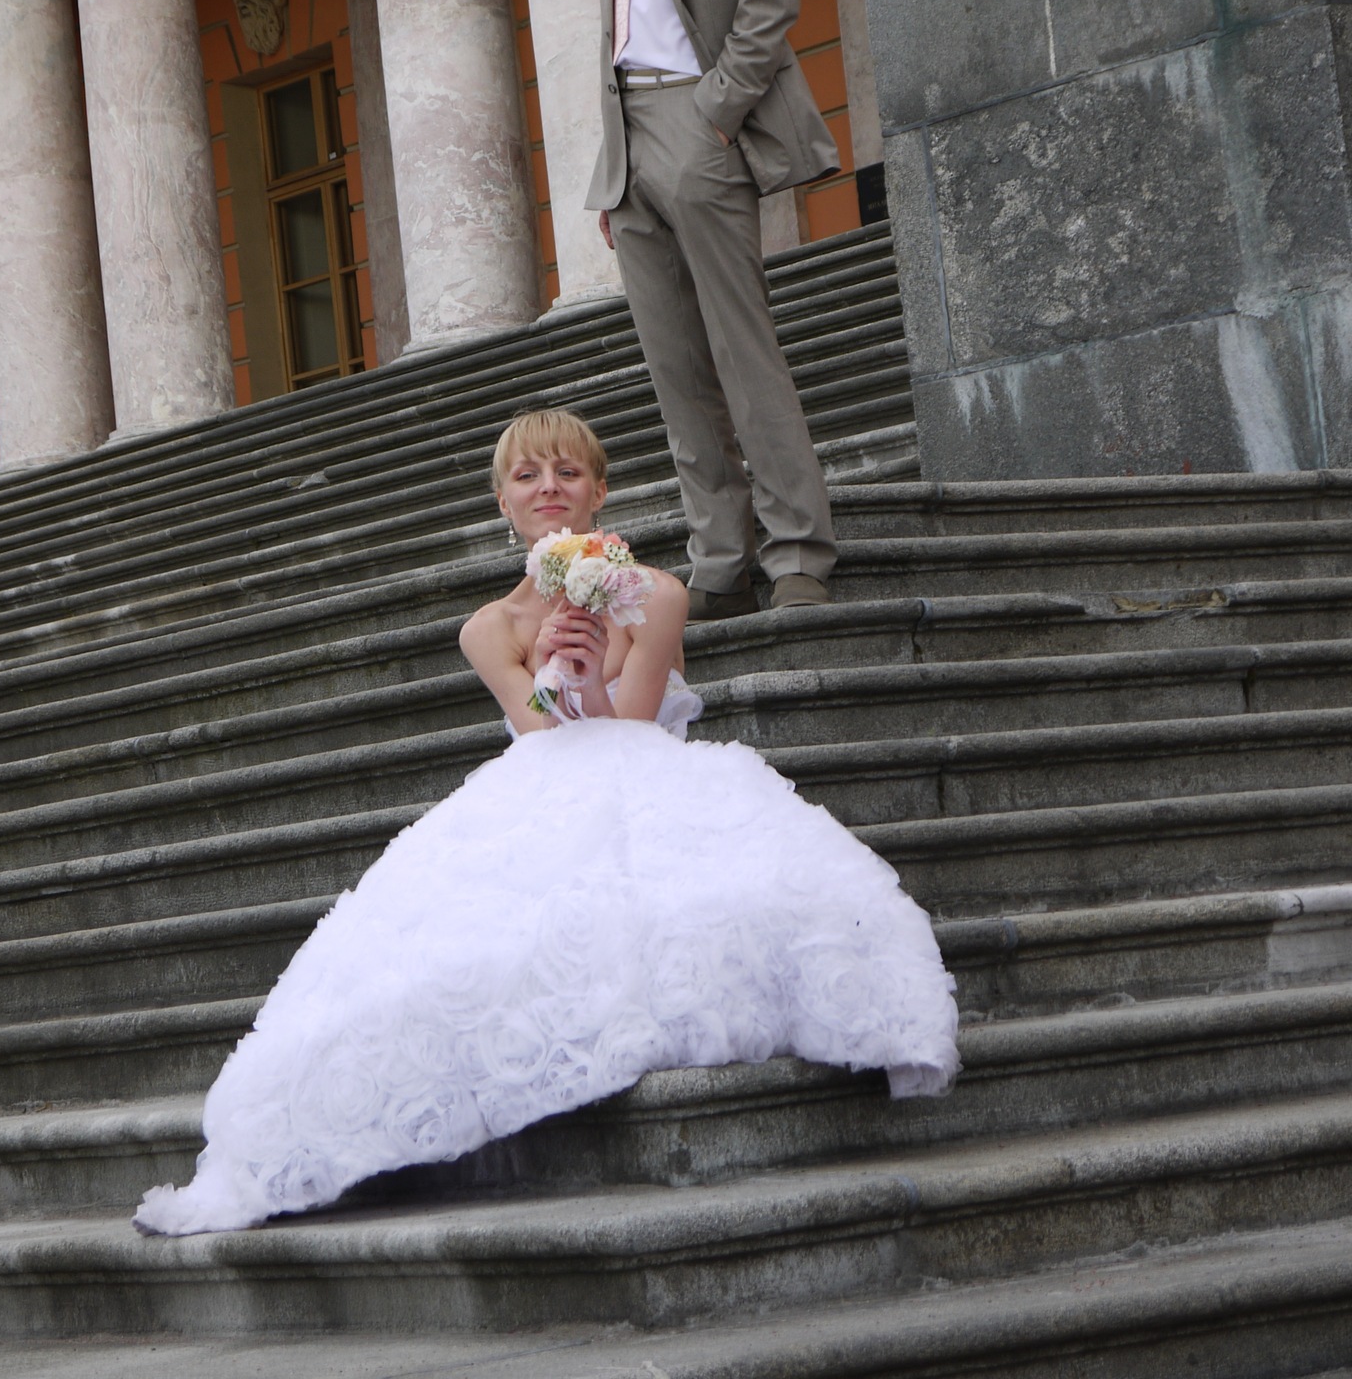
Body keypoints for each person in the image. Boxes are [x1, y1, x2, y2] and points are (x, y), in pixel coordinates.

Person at [132, 409, 958, 1238]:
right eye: (527, 476)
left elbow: (631, 731)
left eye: (567, 472)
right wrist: (556, 673)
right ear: (504, 503)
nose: (548, 489)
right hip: (542, 790)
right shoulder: (489, 629)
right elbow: (543, 739)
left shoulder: (658, 595)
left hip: (647, 779)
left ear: (599, 490)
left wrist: (588, 674)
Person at [579, 0, 842, 623]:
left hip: (699, 114)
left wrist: (717, 116)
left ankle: (799, 549)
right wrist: (613, 169)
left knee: (741, 348)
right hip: (631, 137)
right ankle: (720, 557)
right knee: (673, 367)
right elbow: (619, 29)